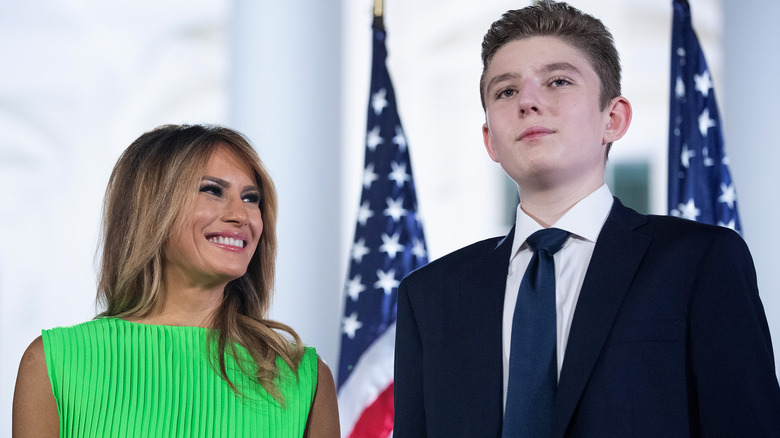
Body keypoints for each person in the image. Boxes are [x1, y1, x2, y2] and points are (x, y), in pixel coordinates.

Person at [394, 1, 780, 437]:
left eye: (558, 81)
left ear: (613, 119)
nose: (529, 102)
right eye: (506, 91)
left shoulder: (698, 261)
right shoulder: (428, 297)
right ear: (491, 141)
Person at [13, 124, 340, 437]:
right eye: (213, 190)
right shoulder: (54, 364)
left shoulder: (303, 377)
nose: (241, 216)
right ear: (152, 207)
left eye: (251, 198)